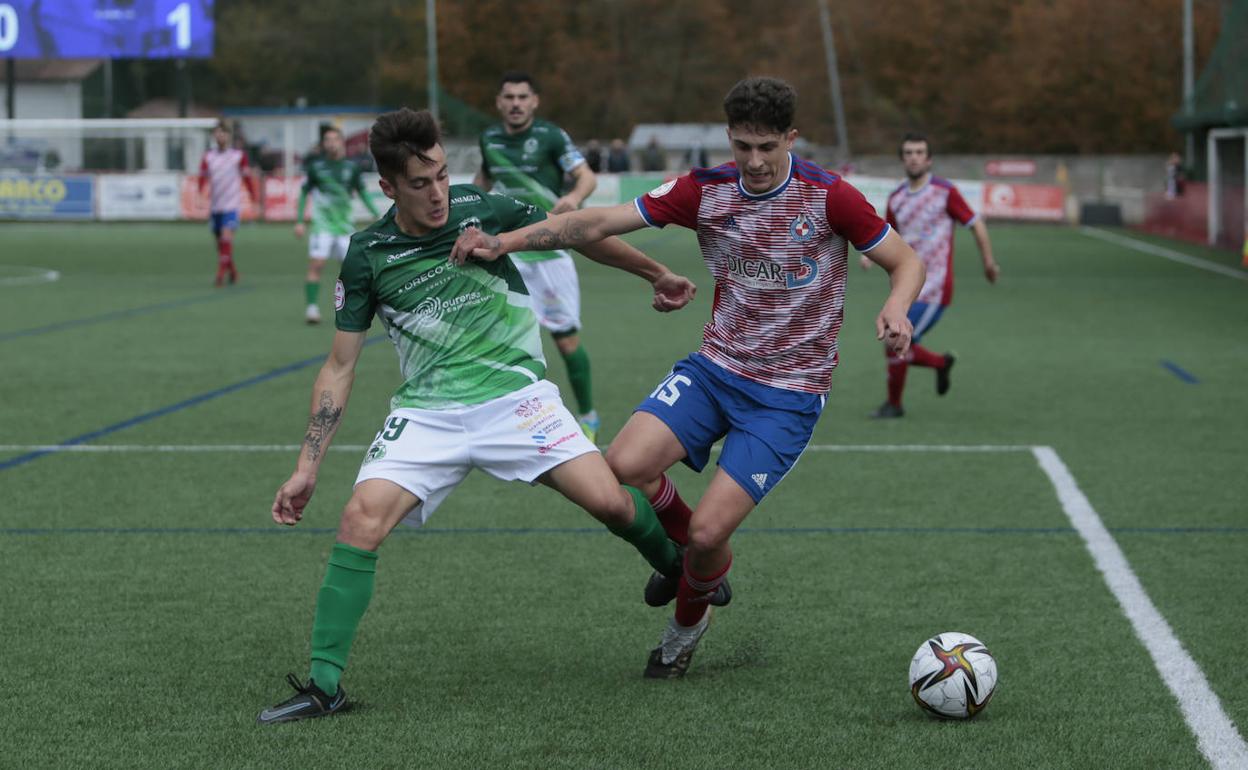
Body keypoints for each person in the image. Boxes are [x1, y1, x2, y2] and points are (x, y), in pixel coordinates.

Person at [452, 77, 924, 679]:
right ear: (729, 138)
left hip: (787, 395)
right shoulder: (704, 190)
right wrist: (506, 241)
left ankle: (685, 624)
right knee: (622, 467)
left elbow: (906, 260)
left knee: (708, 534)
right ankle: (690, 563)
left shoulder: (830, 197)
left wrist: (898, 305)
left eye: (766, 148)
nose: (753, 161)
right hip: (714, 370)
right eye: (742, 146)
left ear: (791, 139)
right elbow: (594, 224)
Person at [257, 108, 703, 724]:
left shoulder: (483, 208)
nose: (438, 192)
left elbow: (574, 229)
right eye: (419, 182)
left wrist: (655, 272)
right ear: (388, 187)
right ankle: (324, 685)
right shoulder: (367, 254)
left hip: (518, 402)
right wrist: (307, 466)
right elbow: (338, 367)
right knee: (359, 520)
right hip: (428, 415)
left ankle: (681, 569)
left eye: (441, 174)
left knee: (610, 502)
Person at [475, 72, 602, 442]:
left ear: (534, 102)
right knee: (502, 340)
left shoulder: (550, 136)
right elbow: (483, 183)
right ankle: (506, 421)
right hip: (508, 253)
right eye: (508, 97)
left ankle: (588, 416)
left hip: (549, 254)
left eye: (522, 97)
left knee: (565, 340)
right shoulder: (489, 138)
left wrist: (574, 199)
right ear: (499, 102)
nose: (515, 103)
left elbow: (586, 177)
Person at [859, 132, 999, 418]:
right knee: (895, 338)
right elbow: (887, 233)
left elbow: (976, 224)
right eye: (908, 152)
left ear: (929, 158)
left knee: (893, 338)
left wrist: (988, 262)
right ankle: (938, 364)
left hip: (935, 287)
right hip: (906, 285)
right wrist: (867, 255)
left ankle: (895, 405)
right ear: (902, 159)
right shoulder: (897, 198)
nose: (914, 157)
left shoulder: (945, 192)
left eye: (919, 152)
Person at [294, 125, 381, 324]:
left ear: (342, 142)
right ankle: (312, 308)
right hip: (322, 227)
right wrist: (299, 221)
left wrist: (376, 213)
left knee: (351, 269)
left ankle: (350, 308)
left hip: (344, 228)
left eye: (335, 139)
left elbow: (362, 193)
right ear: (324, 144)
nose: (331, 143)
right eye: (327, 140)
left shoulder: (351, 168)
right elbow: (304, 193)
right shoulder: (316, 167)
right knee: (317, 265)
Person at [198, 120, 257, 286]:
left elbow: (247, 178)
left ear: (229, 136)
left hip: (231, 205)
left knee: (226, 238)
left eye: (223, 132)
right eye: (217, 132)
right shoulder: (209, 156)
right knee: (221, 245)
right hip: (216, 206)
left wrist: (253, 196)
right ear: (213, 136)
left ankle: (220, 276)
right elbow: (202, 177)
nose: (220, 135)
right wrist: (200, 193)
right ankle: (234, 272)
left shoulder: (238, 156)